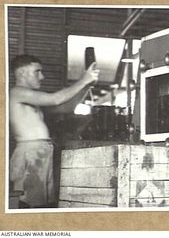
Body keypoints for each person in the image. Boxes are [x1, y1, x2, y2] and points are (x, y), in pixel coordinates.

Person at [9, 54, 100, 208]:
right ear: (22, 73)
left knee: (41, 202)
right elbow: (56, 98)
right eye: (37, 72)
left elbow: (66, 107)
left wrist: (86, 86)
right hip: (31, 154)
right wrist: (84, 79)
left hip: (39, 153)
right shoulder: (17, 92)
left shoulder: (30, 98)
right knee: (30, 203)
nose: (42, 76)